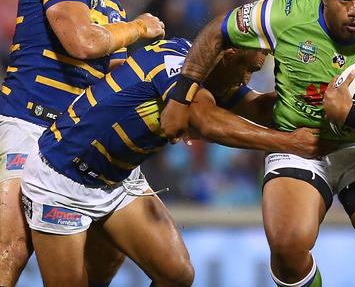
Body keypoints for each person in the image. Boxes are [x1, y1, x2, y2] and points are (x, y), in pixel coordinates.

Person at [160, 0, 355, 287]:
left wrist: (350, 114)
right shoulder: (285, 14)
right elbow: (217, 31)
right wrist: (182, 94)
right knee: (286, 247)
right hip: (299, 143)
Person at [20, 37, 330, 286]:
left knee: (177, 275)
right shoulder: (176, 67)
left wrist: (318, 101)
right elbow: (206, 121)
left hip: (117, 180)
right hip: (62, 177)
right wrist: (291, 143)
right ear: (229, 55)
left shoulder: (216, 79)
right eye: (248, 69)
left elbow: (261, 110)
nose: (248, 79)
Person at [0, 0, 165, 286]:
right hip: (27, 125)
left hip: (73, 137)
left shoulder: (113, 6)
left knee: (109, 254)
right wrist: (139, 29)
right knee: (10, 250)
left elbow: (112, 78)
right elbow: (82, 42)